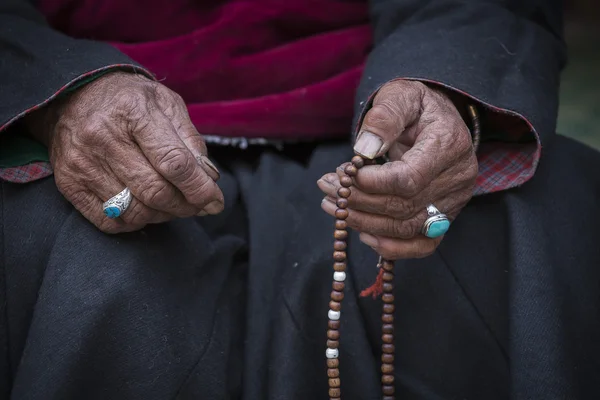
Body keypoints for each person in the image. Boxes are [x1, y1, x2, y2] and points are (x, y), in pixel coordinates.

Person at [1, 0, 599, 399]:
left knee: (532, 221)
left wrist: (445, 84)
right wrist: (57, 92)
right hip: (75, 110)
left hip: (374, 106)